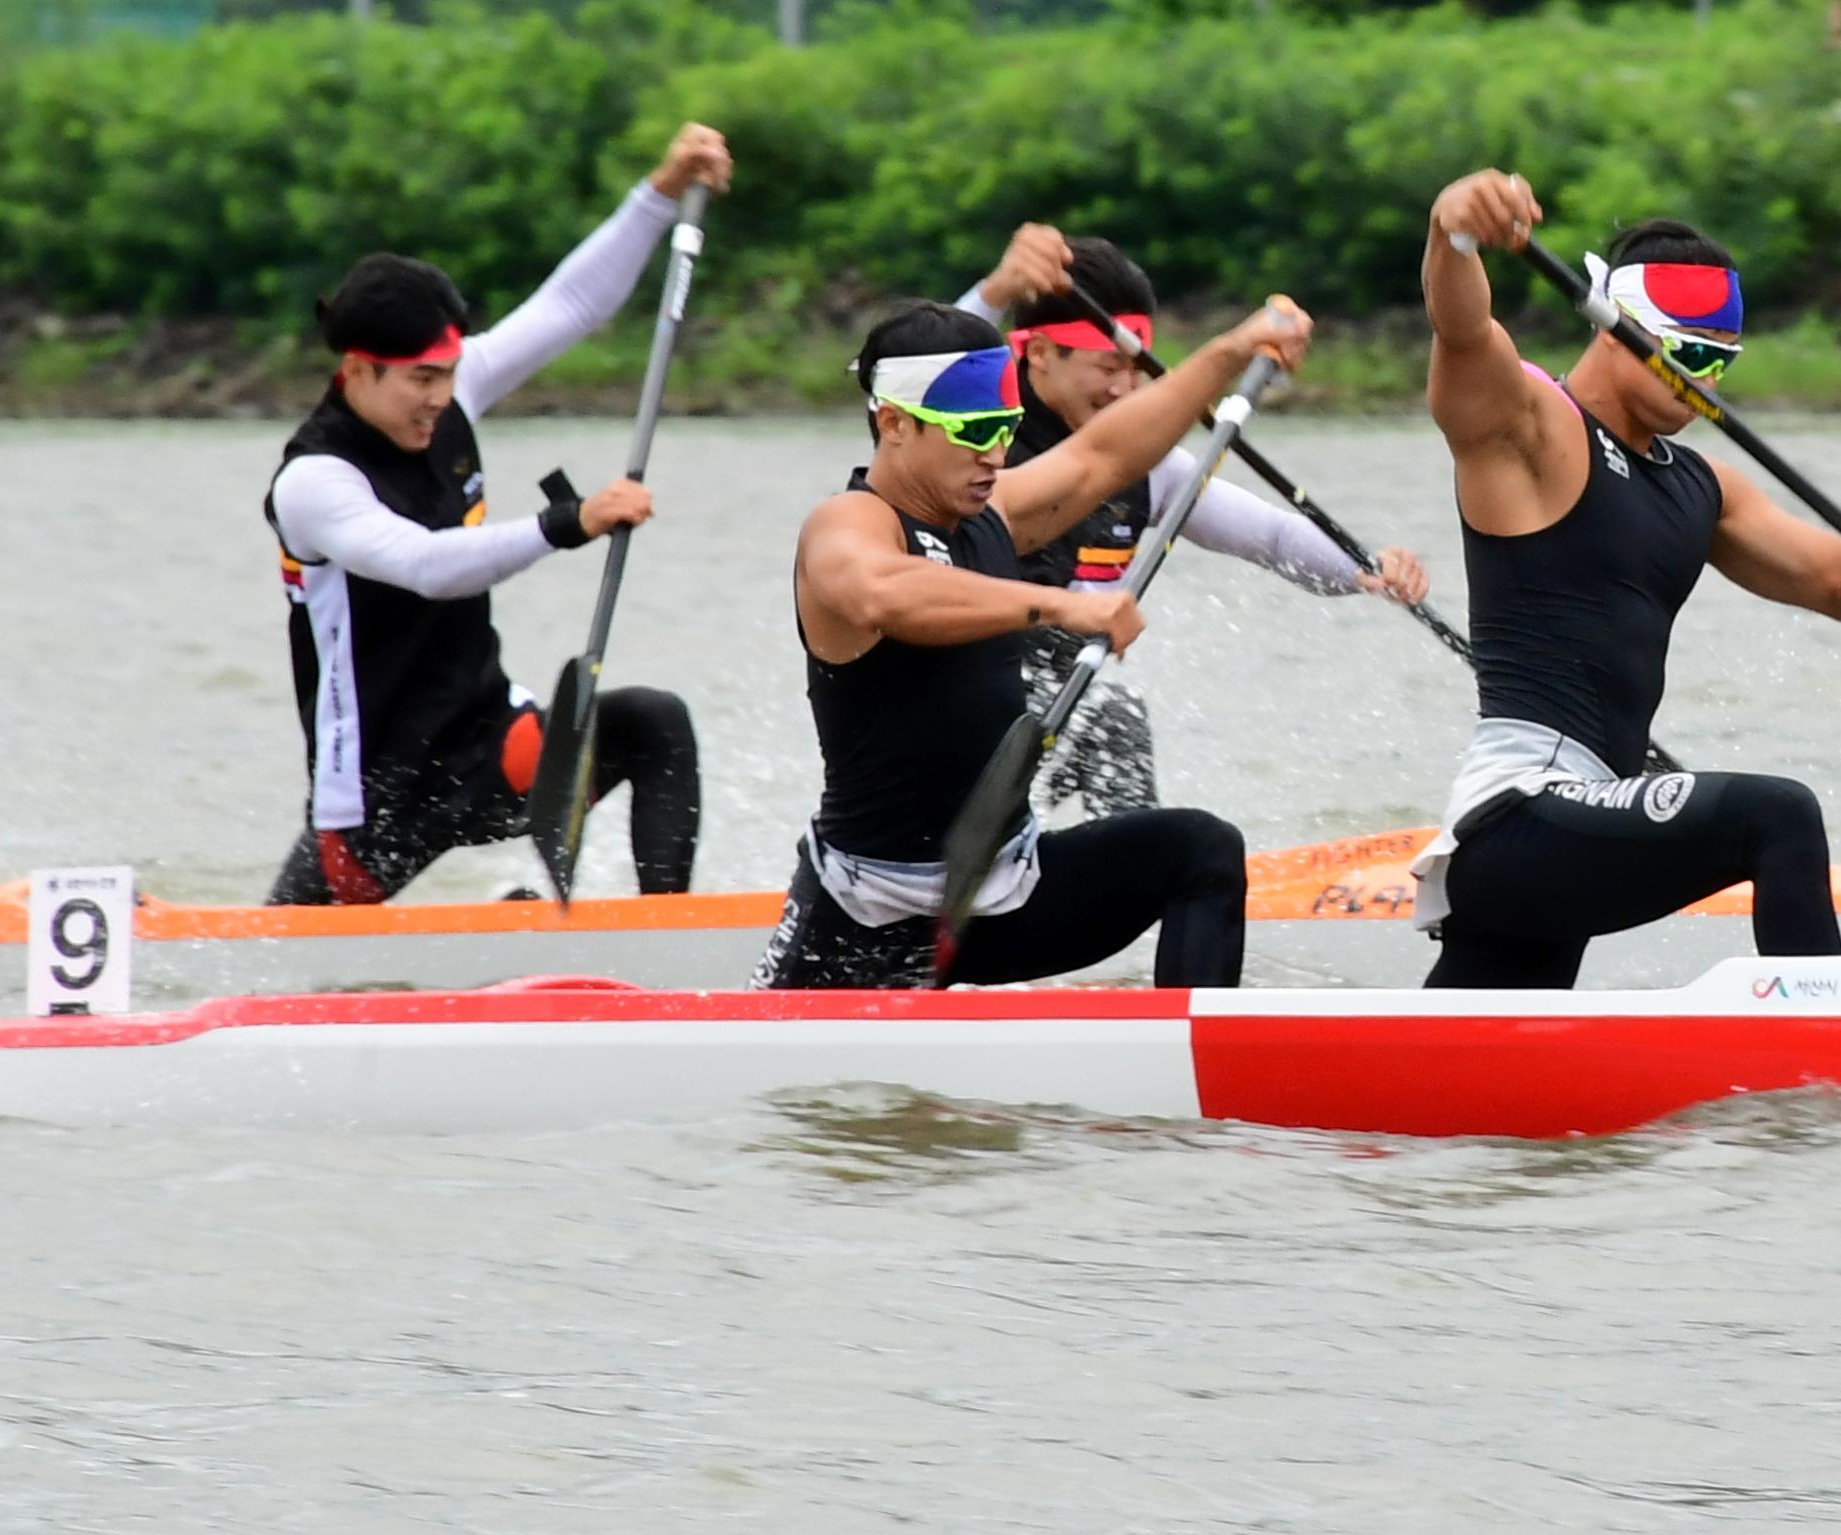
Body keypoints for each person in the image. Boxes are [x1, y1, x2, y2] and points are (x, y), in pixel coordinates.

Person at [1407, 169, 1841, 988]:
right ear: (1618, 328)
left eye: (1721, 361)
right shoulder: (1533, 427)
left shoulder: (1701, 486)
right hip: (1519, 814)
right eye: (1687, 353)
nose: (1705, 383)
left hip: (1577, 832)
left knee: (1466, 1102)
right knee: (1776, 816)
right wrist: (1453, 231)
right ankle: (1830, 1065)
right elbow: (1464, 333)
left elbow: (1835, 580)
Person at [754, 289, 1317, 991]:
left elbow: (1104, 455)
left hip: (1003, 894)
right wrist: (1054, 604)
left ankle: (1183, 1067)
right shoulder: (845, 525)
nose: (995, 452)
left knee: (1201, 851)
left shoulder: (993, 514)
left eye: (1007, 426)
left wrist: (1234, 349)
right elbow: (883, 592)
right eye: (974, 430)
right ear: (894, 424)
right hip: (868, 919)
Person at [262, 124, 733, 905]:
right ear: (356, 369)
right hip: (377, 797)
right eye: (420, 380)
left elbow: (575, 303)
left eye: (447, 374)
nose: (440, 397)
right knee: (279, 967)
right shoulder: (314, 480)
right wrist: (566, 523)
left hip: (490, 741)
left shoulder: (451, 390)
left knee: (653, 725)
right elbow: (425, 566)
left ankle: (661, 940)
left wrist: (660, 190)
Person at [957, 224, 1431, 818]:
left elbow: (1272, 536)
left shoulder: (1150, 464)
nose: (1123, 389)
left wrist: (1365, 569)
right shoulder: (971, 431)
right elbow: (916, 371)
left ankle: (1129, 875)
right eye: (1106, 368)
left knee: (1115, 723)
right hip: (952, 689)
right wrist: (998, 289)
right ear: (1042, 354)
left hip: (1058, 697)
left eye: (1133, 370)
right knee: (1105, 719)